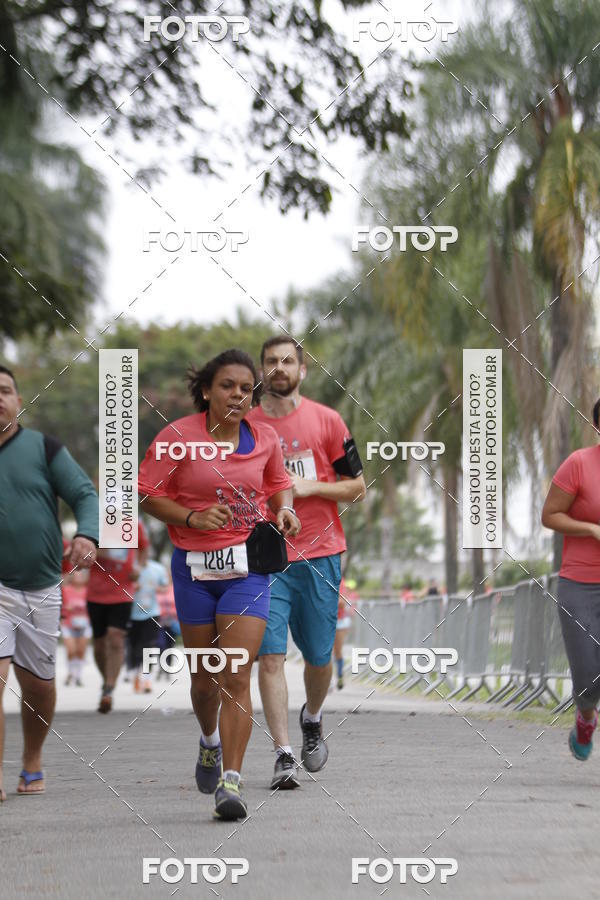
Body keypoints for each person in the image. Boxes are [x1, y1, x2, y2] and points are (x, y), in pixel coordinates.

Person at [138, 348, 300, 820]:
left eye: (246, 389)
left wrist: (285, 509)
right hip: (192, 569)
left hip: (247, 567)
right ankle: (208, 741)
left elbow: (278, 483)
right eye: (227, 385)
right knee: (204, 681)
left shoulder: (264, 438)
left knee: (235, 674)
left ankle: (231, 781)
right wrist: (192, 516)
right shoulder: (177, 437)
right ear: (207, 390)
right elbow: (148, 494)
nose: (236, 394)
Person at [247, 336, 366, 790]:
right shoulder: (247, 426)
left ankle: (312, 717)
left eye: (288, 361)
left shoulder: (328, 421)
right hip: (267, 557)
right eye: (271, 361)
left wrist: (311, 488)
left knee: (319, 658)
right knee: (271, 657)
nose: (279, 367)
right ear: (262, 370)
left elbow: (357, 486)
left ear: (302, 370)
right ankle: (282, 754)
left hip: (321, 552)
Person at [0, 365, 98, 800]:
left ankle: (32, 760)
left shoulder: (43, 448)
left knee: (38, 687)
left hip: (41, 587)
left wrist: (86, 533)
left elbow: (84, 496)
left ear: (19, 401)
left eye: (4, 391)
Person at [541, 397, 600, 761]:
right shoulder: (579, 464)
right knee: (587, 674)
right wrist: (590, 529)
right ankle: (586, 715)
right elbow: (550, 515)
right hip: (579, 583)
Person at [86, 522, 149, 713]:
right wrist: (99, 551)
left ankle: (109, 689)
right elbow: (83, 553)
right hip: (96, 593)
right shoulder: (94, 522)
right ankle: (107, 680)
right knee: (99, 644)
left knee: (116, 636)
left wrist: (139, 567)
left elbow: (144, 549)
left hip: (123, 592)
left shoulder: (133, 523)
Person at [129, 553, 169, 693]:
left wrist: (159, 589)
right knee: (134, 647)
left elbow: (165, 586)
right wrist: (131, 586)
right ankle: (135, 675)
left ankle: (147, 680)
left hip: (152, 612)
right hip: (131, 613)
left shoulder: (157, 568)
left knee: (149, 646)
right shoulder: (130, 567)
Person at [61, 565, 91, 687]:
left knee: (80, 651)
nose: (78, 578)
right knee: (71, 650)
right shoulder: (66, 589)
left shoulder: (88, 590)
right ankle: (70, 673)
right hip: (69, 624)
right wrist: (66, 608)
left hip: (85, 624)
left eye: (80, 575)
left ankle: (78, 676)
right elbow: (60, 604)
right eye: (75, 575)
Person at [333, 577, 358, 690]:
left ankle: (339, 676)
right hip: (323, 620)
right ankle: (325, 680)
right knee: (325, 652)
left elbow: (341, 603)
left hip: (339, 621)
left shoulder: (340, 581)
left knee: (337, 651)